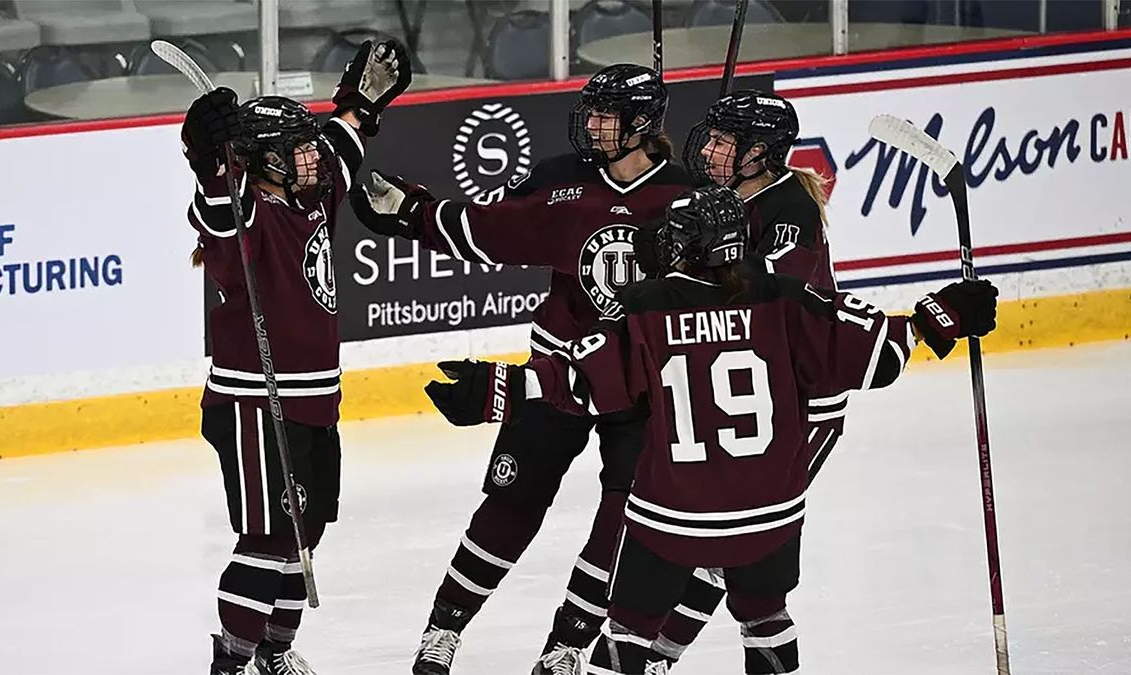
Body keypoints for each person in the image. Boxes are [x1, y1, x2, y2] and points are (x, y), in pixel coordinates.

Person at [422, 185, 999, 674]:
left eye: (675, 236)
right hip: (771, 517)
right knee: (766, 616)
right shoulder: (785, 299)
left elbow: (584, 380)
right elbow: (875, 357)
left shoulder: (649, 307)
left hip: (674, 516)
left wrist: (494, 389)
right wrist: (940, 315)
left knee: (628, 629)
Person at [349, 64, 691, 674]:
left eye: (605, 115)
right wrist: (412, 212)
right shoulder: (565, 179)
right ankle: (443, 630)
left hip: (645, 389)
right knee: (512, 503)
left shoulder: (685, 202)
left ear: (642, 125)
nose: (591, 125)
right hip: (558, 372)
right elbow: (493, 230)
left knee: (625, 517)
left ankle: (566, 645)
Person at [183, 41, 411, 675]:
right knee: (269, 538)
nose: (312, 157)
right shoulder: (247, 206)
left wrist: (361, 105)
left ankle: (274, 652)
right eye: (296, 150)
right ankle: (230, 661)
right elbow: (215, 208)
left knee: (305, 533)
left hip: (313, 396)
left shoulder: (313, 186)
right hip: (257, 403)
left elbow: (342, 139)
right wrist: (204, 155)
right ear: (263, 163)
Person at [644, 89, 847, 665]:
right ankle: (659, 653)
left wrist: (692, 256)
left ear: (760, 153)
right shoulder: (728, 196)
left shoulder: (790, 213)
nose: (706, 150)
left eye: (722, 141)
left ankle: (658, 654)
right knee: (721, 545)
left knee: (736, 552)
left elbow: (761, 303)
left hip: (803, 406)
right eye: (709, 137)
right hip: (755, 397)